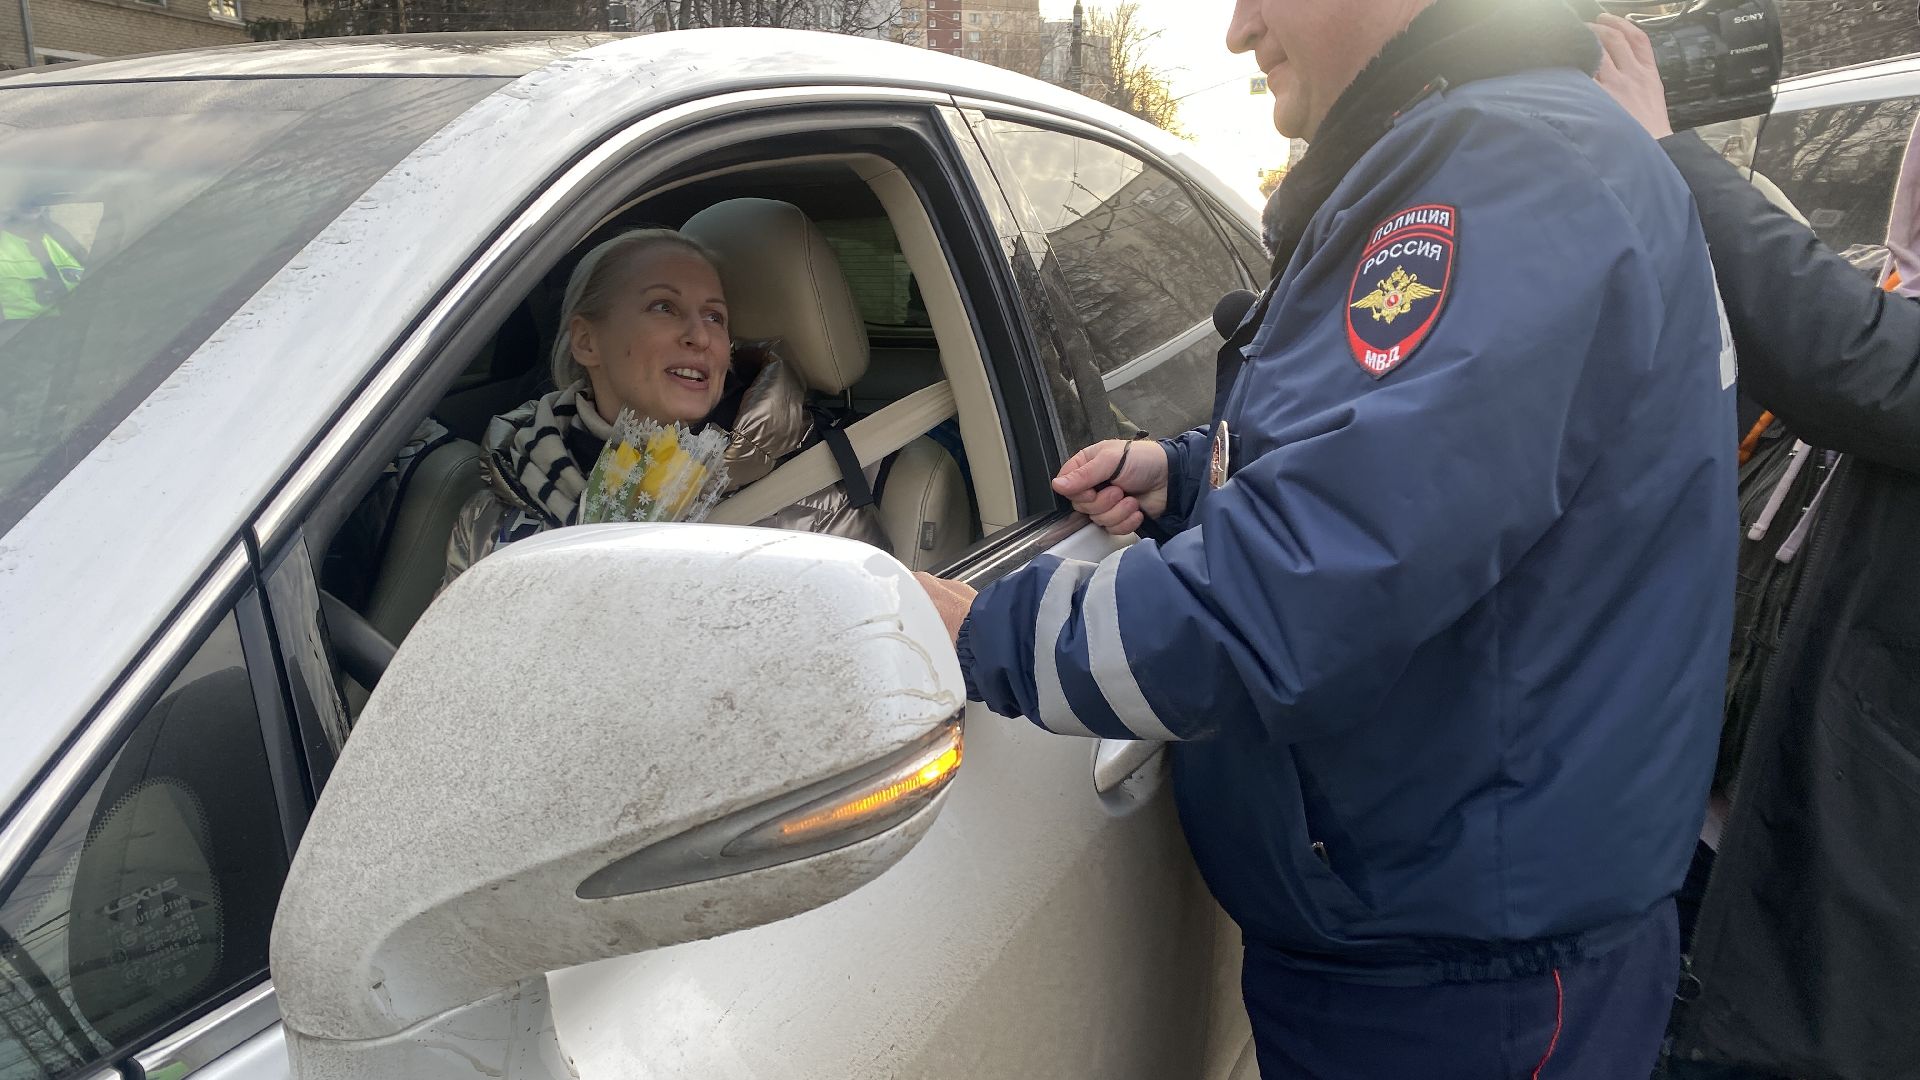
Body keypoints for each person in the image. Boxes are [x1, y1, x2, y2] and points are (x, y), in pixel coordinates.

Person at [913, 0, 1737, 1074]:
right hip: (1453, 935)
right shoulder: (1516, 157)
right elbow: (1411, 467)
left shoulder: (1511, 176)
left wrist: (982, 629)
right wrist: (1187, 474)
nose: (1238, 31)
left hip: (1459, 991)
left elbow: (1308, 582)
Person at [1593, 17, 1920, 1080]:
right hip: (1704, 829)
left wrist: (1662, 150)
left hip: (1827, 914)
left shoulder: (1872, 345)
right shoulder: (1885, 301)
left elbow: (1833, 352)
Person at [444, 228, 887, 582]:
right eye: (664, 307)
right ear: (586, 340)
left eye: (715, 316)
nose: (700, 335)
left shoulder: (817, 497)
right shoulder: (500, 505)